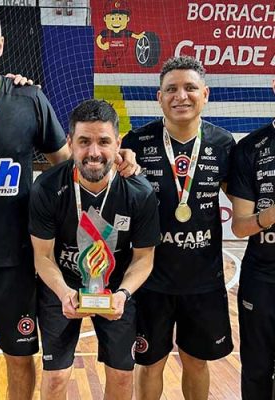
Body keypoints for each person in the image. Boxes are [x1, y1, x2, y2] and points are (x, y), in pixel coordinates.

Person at [0, 6, 138, 400]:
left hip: (14, 262)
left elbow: (72, 167)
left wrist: (120, 158)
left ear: (1, 45)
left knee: (18, 359)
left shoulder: (30, 98)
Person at [29, 99, 160, 400]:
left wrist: (123, 294)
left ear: (118, 143)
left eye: (103, 142)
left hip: (114, 289)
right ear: (70, 142)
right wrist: (63, 293)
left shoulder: (139, 193)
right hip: (61, 285)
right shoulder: (47, 188)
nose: (94, 152)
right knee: (57, 377)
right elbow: (43, 256)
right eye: (84, 141)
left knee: (121, 377)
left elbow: (144, 259)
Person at [122, 55, 235, 400]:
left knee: (196, 361)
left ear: (206, 94)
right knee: (150, 363)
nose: (180, 96)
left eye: (189, 88)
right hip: (151, 280)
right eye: (171, 89)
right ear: (159, 97)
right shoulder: (136, 144)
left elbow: (241, 201)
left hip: (203, 281)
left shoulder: (223, 144)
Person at [227, 79, 275, 400]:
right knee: (257, 371)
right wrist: (269, 216)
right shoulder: (251, 148)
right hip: (263, 279)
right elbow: (240, 227)